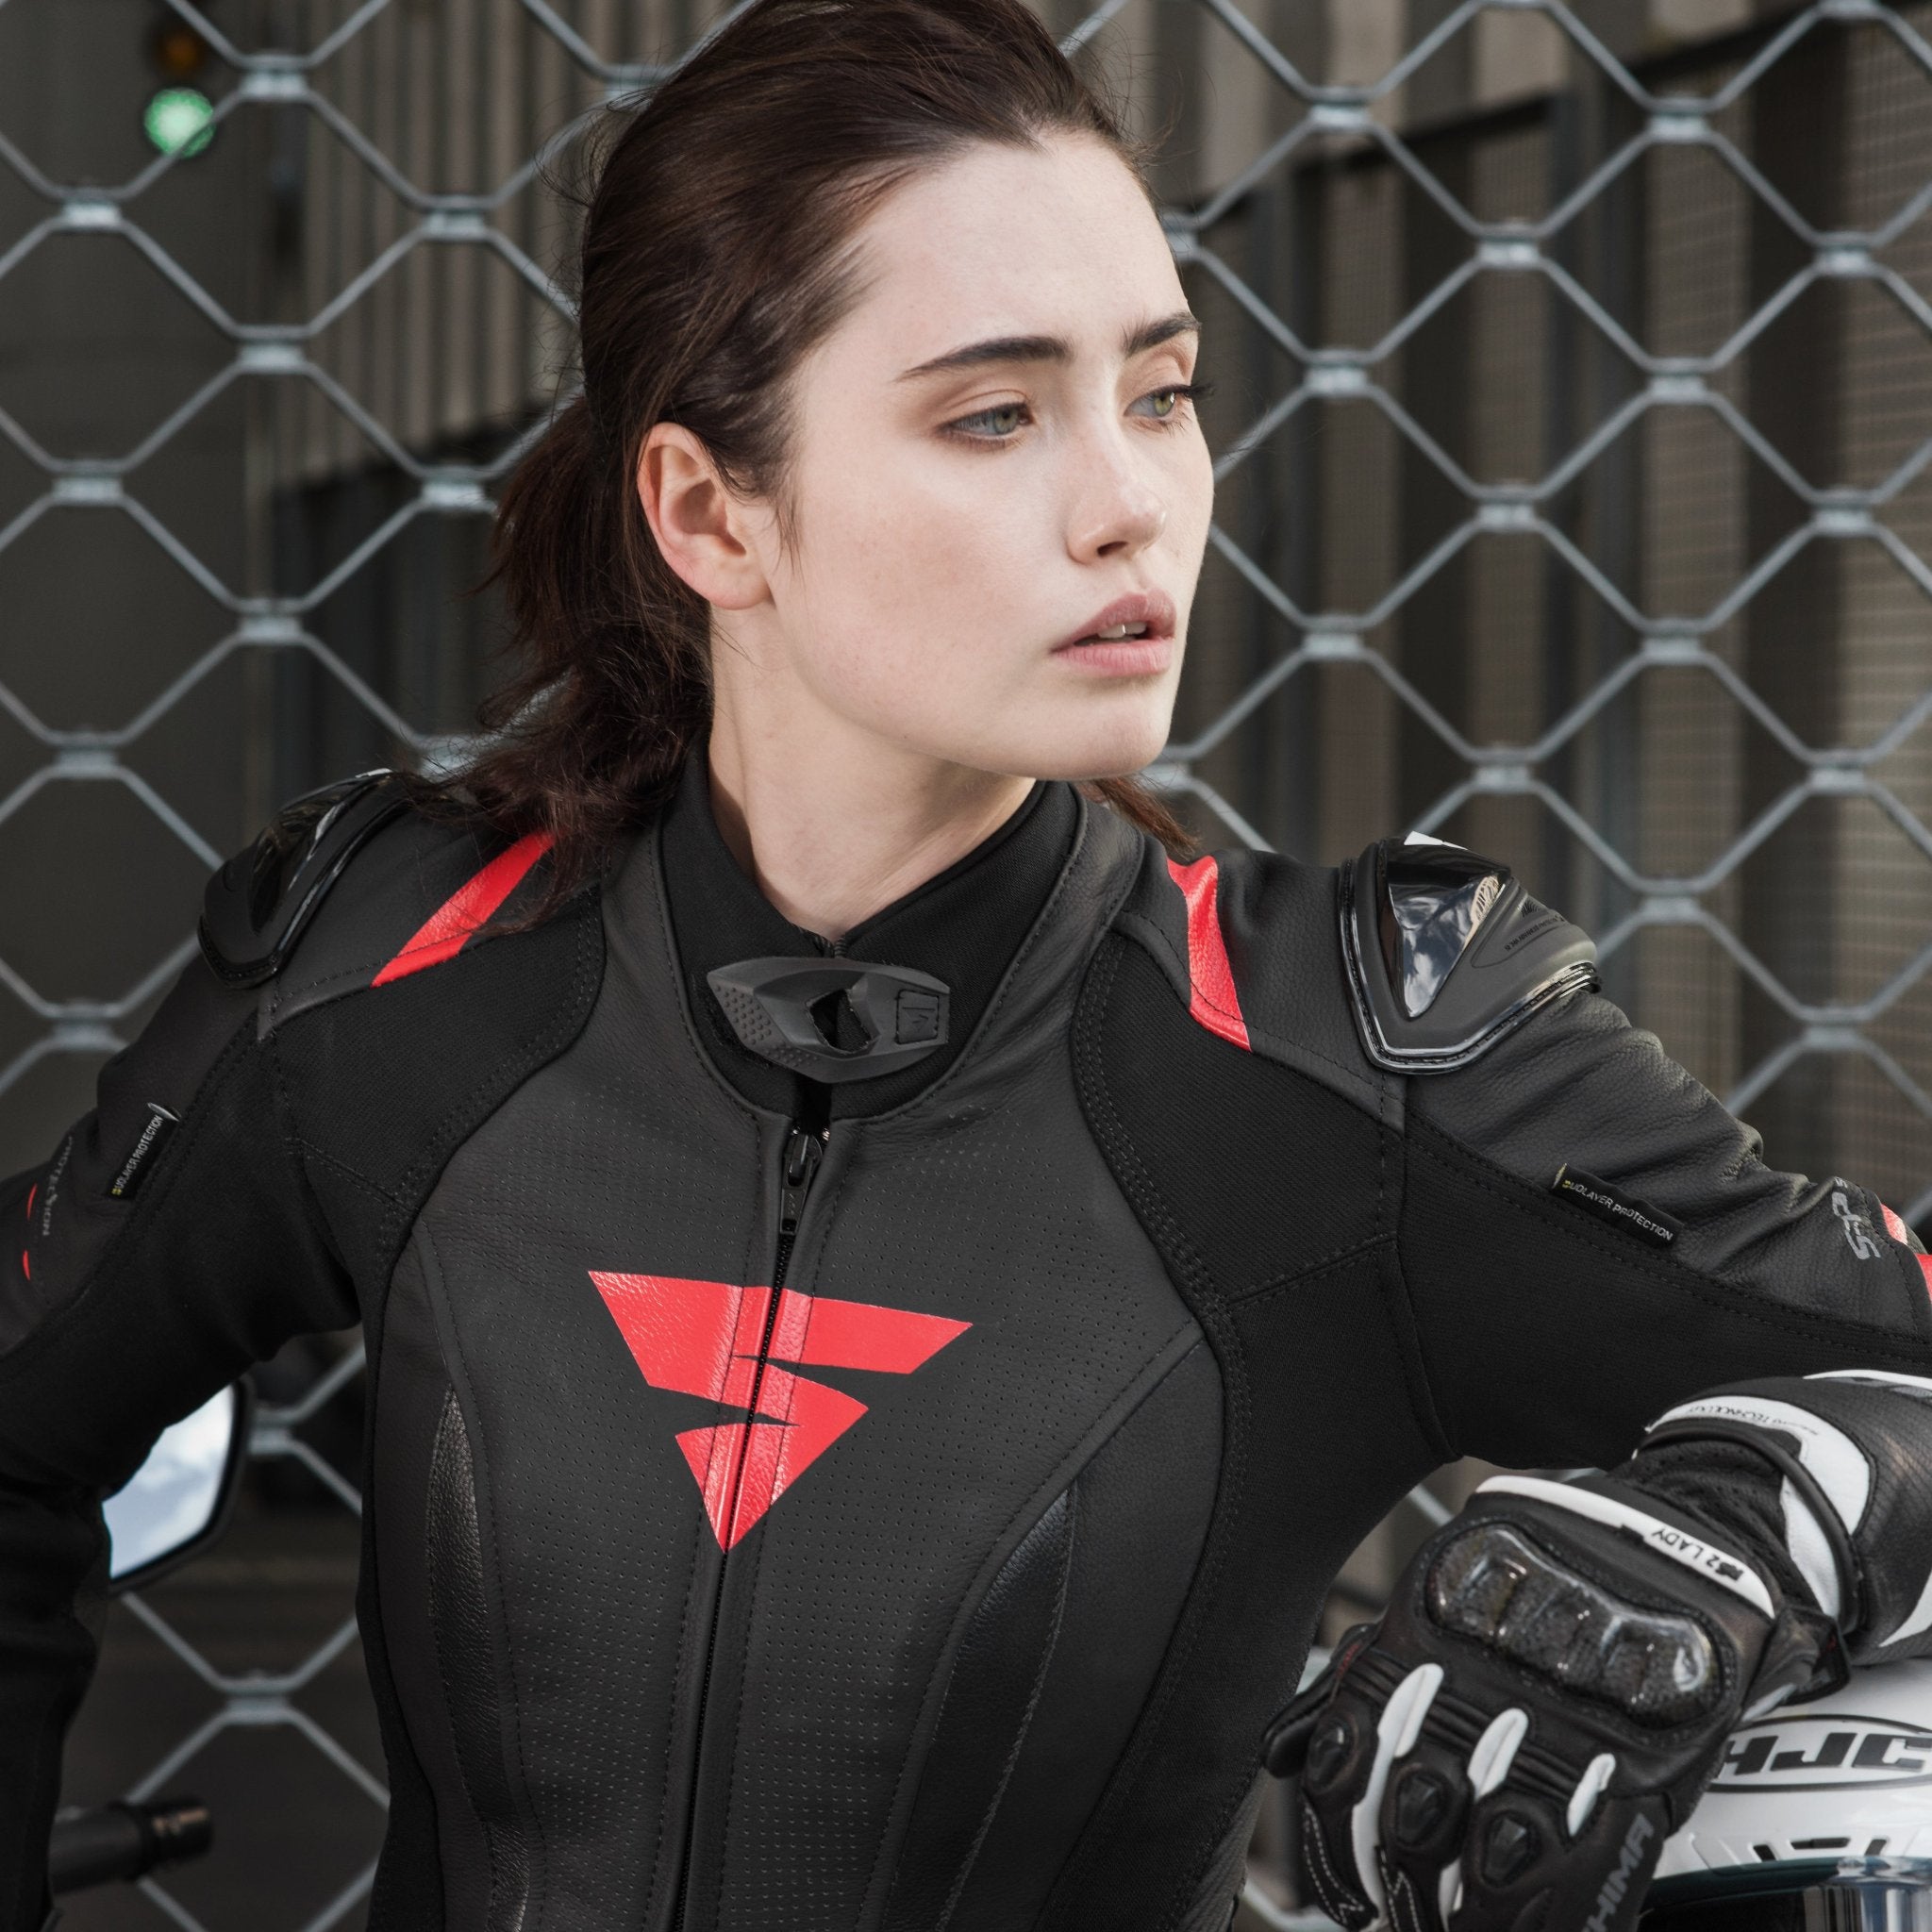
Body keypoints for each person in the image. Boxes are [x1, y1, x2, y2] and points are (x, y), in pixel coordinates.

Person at [4, 4, 1932, 1929]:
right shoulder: (394, 967)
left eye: (1160, 391)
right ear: (710, 512)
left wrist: (1789, 1506)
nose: (1130, 501)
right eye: (995, 414)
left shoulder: (1354, 1066)